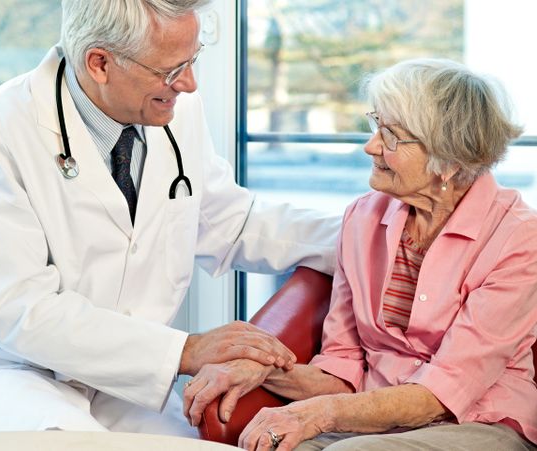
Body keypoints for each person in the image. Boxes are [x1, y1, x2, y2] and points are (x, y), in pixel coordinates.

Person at [0, 0, 340, 436]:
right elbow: (21, 312)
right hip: (7, 371)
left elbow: (231, 223)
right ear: (100, 63)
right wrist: (187, 350)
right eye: (171, 70)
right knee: (70, 443)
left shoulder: (173, 108)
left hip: (122, 380)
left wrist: (370, 234)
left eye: (193, 59)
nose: (188, 83)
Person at [183, 58, 537, 450]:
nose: (371, 146)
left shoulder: (518, 238)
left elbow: (445, 391)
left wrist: (321, 414)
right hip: (369, 422)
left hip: (476, 421)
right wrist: (257, 368)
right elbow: (342, 369)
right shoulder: (363, 217)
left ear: (449, 162)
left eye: (391, 136)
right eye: (376, 125)